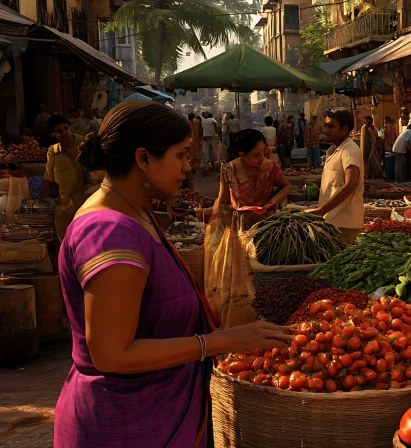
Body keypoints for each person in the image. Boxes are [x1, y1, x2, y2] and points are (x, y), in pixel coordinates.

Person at [54, 101, 294, 447]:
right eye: (181, 155)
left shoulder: (137, 212)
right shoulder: (109, 231)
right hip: (124, 425)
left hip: (155, 413)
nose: (188, 166)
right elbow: (111, 354)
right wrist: (221, 341)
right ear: (143, 159)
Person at [206, 129, 291, 329]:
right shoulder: (228, 170)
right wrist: (229, 221)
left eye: (264, 152)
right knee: (241, 280)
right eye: (256, 154)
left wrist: (273, 201)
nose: (262, 158)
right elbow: (224, 202)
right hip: (240, 230)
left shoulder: (269, 167)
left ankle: (268, 321)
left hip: (267, 228)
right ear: (241, 154)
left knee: (263, 276)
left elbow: (286, 187)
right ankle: (244, 324)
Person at [307, 108, 364, 244]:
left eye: (331, 126)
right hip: (333, 221)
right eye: (325, 125)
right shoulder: (335, 150)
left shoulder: (349, 151)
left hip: (344, 223)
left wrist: (321, 210)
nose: (325, 130)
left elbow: (350, 184)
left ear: (344, 129)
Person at [42, 114, 87, 244]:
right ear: (53, 135)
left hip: (86, 205)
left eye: (66, 128)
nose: (65, 132)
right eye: (59, 131)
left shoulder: (85, 144)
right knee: (66, 246)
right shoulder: (53, 152)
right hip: (64, 210)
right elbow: (49, 180)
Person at [185, 112, 203, 189]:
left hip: (191, 145)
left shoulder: (186, 124)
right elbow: (201, 132)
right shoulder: (197, 122)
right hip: (196, 145)